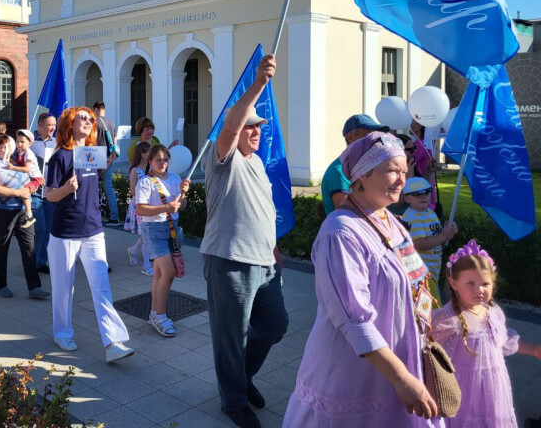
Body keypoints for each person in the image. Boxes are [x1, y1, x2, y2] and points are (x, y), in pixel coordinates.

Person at [283, 131, 442, 427]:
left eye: (404, 171)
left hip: (398, 361)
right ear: (363, 176)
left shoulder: (388, 218)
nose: (401, 180)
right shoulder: (340, 233)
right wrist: (402, 378)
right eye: (391, 170)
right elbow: (354, 320)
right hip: (354, 374)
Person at [201, 54, 288, 428]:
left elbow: (261, 211)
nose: (256, 131)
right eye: (249, 126)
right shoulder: (223, 157)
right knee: (231, 338)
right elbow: (232, 125)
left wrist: (274, 249)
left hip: (265, 263)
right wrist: (259, 84)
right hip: (230, 260)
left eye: (259, 127)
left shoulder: (257, 164)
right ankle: (233, 401)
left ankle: (242, 377)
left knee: (275, 325)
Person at [45, 106, 134, 362]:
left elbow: (94, 178)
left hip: (93, 230)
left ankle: (113, 342)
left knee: (101, 287)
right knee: (64, 287)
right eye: (82, 118)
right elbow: (50, 195)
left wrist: (109, 161)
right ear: (70, 124)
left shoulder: (89, 153)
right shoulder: (60, 157)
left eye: (90, 119)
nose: (87, 121)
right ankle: (62, 333)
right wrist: (65, 189)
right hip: (65, 232)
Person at [432, 241, 541, 427]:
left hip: (493, 388)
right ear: (453, 283)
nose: (479, 290)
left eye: (485, 283)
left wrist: (534, 350)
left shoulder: (493, 312)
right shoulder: (448, 317)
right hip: (462, 389)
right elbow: (427, 346)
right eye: (470, 283)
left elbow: (504, 340)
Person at [0, 134, 49, 300]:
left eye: (8, 146)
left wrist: (31, 188)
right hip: (1, 210)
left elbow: (31, 177)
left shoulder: (18, 160)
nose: (5, 149)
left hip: (23, 210)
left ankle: (34, 287)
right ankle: (1, 284)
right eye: (1, 146)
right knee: (2, 246)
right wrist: (18, 193)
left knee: (29, 246)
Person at [136, 144, 190, 337]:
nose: (162, 163)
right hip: (153, 230)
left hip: (172, 228)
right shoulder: (146, 181)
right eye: (158, 160)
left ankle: (155, 313)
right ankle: (160, 316)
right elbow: (140, 209)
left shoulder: (175, 178)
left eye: (165, 160)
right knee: (168, 272)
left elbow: (182, 207)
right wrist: (166, 208)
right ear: (150, 161)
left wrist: (183, 193)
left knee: (160, 273)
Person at [402, 177, 457, 306]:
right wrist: (443, 235)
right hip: (421, 273)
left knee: (428, 308)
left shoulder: (430, 213)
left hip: (433, 271)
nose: (423, 196)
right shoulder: (412, 217)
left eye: (426, 192)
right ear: (407, 198)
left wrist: (448, 232)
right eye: (417, 194)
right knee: (435, 309)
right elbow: (420, 244)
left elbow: (437, 237)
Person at [320, 114, 389, 216]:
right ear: (350, 137)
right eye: (367, 135)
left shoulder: (364, 167)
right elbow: (347, 213)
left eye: (375, 135)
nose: (373, 140)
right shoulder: (339, 171)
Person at [30, 113, 57, 273]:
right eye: (49, 125)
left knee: (48, 228)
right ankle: (31, 261)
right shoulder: (30, 142)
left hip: (51, 192)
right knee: (39, 227)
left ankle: (41, 262)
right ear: (40, 125)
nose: (53, 128)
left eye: (54, 124)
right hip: (35, 193)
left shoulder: (57, 142)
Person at [125, 141, 153, 276]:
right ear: (142, 154)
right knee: (146, 234)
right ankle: (147, 265)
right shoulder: (135, 171)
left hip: (151, 204)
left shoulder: (152, 169)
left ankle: (133, 250)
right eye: (149, 152)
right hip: (140, 205)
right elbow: (132, 191)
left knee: (146, 233)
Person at [7, 129, 43, 229]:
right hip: (30, 177)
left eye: (22, 142)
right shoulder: (19, 152)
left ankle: (29, 216)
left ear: (30, 143)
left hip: (34, 178)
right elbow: (19, 164)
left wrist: (12, 167)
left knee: (24, 193)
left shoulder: (29, 154)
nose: (19, 144)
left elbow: (26, 169)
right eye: (17, 141)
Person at [93, 102, 121, 226]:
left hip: (96, 155)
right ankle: (114, 216)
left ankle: (95, 214)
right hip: (109, 156)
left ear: (95, 109)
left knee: (93, 186)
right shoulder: (111, 122)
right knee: (108, 187)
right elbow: (115, 141)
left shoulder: (94, 122)